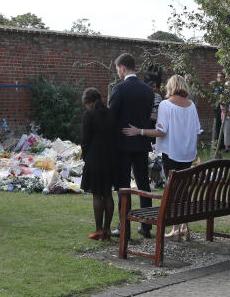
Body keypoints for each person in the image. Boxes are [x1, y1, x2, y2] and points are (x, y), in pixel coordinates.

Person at [124, 74, 201, 240]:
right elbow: (197, 131)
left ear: (170, 87)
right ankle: (184, 226)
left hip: (172, 152)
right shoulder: (191, 105)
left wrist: (140, 131)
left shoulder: (166, 105)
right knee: (183, 189)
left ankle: (176, 227)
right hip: (187, 153)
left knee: (173, 189)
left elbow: (161, 131)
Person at [109, 53, 155, 239]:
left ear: (122, 68)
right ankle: (146, 226)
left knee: (124, 186)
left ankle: (124, 226)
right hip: (141, 143)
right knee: (144, 184)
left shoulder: (119, 89)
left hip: (122, 144)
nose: (118, 73)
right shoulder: (148, 90)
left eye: (117, 70)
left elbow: (111, 117)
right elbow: (146, 116)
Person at [80, 88, 117, 240]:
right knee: (108, 193)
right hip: (110, 157)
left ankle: (99, 229)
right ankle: (108, 229)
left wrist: (85, 154)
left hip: (94, 156)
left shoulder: (89, 115)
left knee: (97, 193)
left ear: (88, 102)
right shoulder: (111, 113)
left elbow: (85, 139)